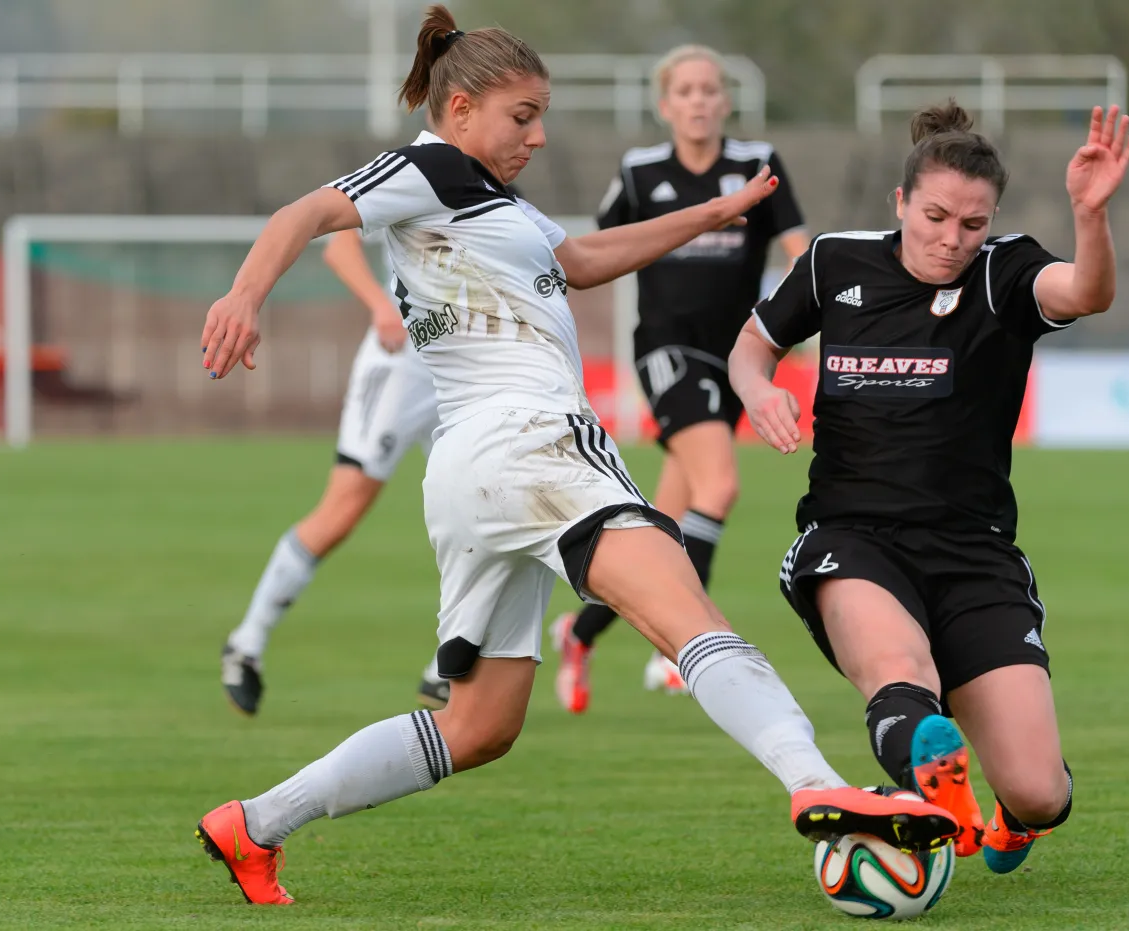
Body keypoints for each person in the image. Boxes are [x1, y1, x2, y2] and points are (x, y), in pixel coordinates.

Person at [191, 6, 959, 905]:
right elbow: (309, 210)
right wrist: (245, 293)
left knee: (478, 727)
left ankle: (255, 823)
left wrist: (710, 212)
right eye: (523, 116)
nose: (540, 134)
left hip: (474, 472)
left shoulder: (489, 198)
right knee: (689, 614)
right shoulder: (431, 164)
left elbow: (585, 258)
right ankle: (816, 782)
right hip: (535, 443)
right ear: (463, 106)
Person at [729, 100, 1129, 870]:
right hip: (852, 536)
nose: (952, 240)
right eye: (936, 217)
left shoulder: (1005, 273)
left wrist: (1091, 213)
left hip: (971, 551)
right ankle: (936, 790)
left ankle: (1011, 810)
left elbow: (1085, 292)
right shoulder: (834, 261)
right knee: (900, 673)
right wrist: (758, 388)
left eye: (972, 223)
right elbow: (753, 344)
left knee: (1041, 791)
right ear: (901, 203)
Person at [549, 44, 810, 714]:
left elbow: (799, 253)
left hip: (738, 360)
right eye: (685, 91)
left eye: (709, 89)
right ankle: (686, 648)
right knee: (719, 484)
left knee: (663, 528)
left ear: (724, 100)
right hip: (667, 351)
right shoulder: (641, 173)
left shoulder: (757, 165)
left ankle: (579, 633)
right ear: (666, 106)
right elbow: (592, 253)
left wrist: (822, 314)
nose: (698, 100)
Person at [220, 227, 449, 716]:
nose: (532, 144)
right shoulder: (419, 169)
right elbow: (340, 244)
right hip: (398, 368)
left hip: (459, 372)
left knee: (483, 508)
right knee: (341, 511)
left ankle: (450, 659)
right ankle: (247, 642)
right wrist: (381, 306)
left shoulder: (499, 186)